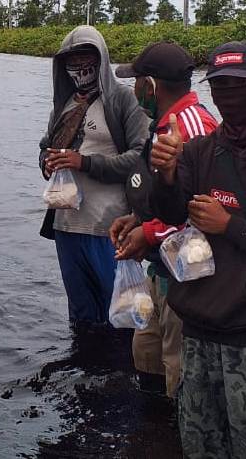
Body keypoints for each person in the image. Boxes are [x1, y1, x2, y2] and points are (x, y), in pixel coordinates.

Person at [150, 41, 246, 456]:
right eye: (220, 85)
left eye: (239, 83)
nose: (229, 94)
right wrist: (165, 173)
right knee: (200, 447)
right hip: (198, 333)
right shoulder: (199, 151)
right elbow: (169, 212)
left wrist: (232, 225)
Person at [108, 41, 217, 397]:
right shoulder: (162, 127)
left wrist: (149, 233)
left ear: (151, 86)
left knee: (178, 366)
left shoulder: (193, 128)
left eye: (137, 81)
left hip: (185, 275)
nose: (134, 89)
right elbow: (164, 194)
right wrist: (135, 218)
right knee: (147, 354)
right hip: (159, 267)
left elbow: (203, 207)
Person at [39, 25, 149, 326]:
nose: (79, 68)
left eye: (87, 58)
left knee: (122, 314)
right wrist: (47, 163)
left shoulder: (122, 101)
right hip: (66, 226)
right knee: (82, 315)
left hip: (109, 227)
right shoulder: (63, 105)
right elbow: (45, 147)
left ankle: (123, 372)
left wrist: (85, 163)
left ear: (101, 59)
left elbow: (141, 158)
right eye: (72, 62)